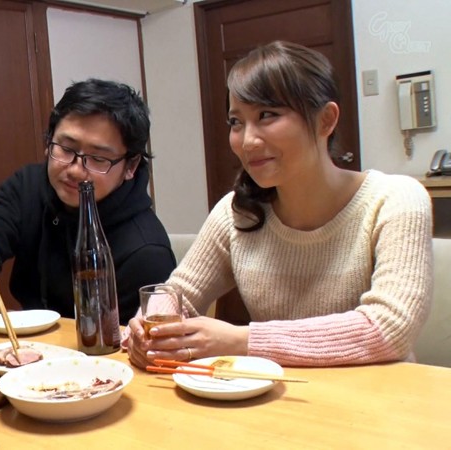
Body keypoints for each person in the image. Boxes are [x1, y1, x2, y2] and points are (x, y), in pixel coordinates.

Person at [125, 41, 433, 368]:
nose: (247, 141)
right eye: (236, 122)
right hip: (279, 394)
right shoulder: (237, 213)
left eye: (267, 115)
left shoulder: (395, 200)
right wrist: (147, 326)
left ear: (326, 120)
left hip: (380, 394)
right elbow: (179, 294)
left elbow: (390, 328)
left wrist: (242, 341)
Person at [0, 79, 176, 324]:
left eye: (98, 159)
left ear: (130, 166)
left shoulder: (146, 252)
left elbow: (136, 342)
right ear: (49, 141)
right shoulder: (28, 186)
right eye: (66, 149)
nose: (76, 170)